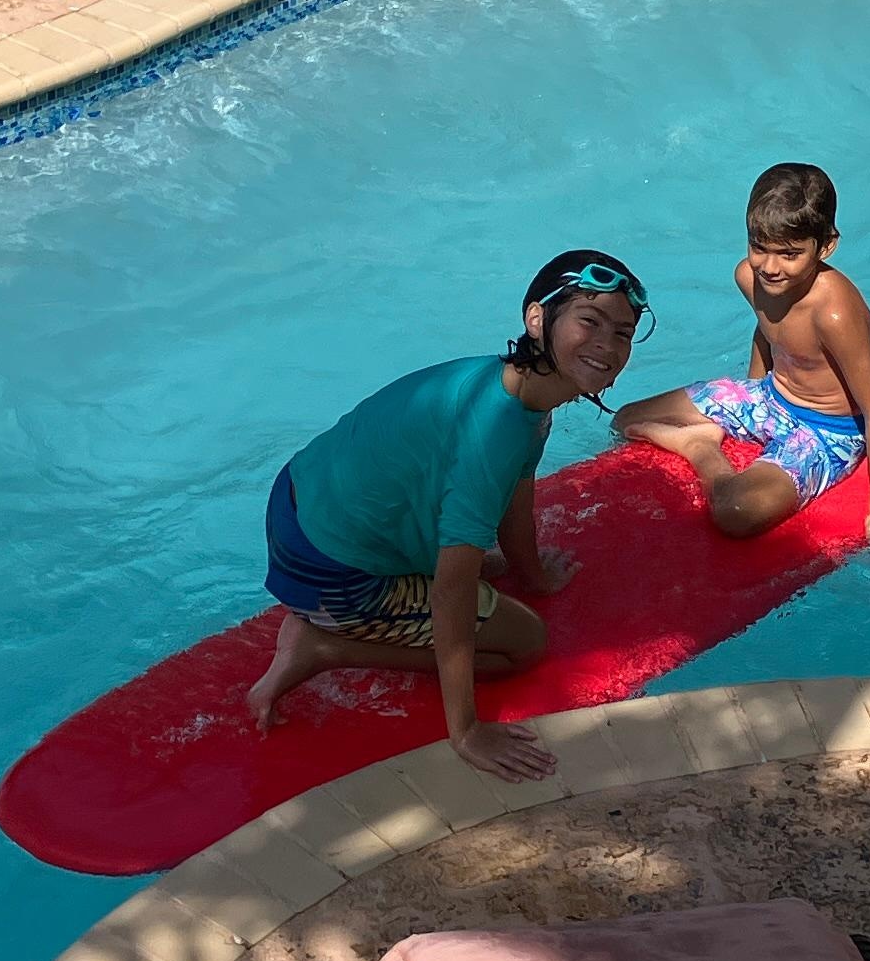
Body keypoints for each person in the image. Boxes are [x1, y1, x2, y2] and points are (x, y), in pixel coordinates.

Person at [243, 249, 647, 782]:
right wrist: (466, 729)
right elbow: (451, 592)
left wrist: (534, 574)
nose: (607, 345)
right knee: (525, 644)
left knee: (485, 560)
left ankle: (341, 620)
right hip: (330, 572)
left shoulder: (513, 388)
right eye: (590, 321)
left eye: (622, 333)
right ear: (536, 318)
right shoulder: (496, 429)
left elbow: (517, 495)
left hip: (303, 502)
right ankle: (321, 645)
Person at [615, 162, 870, 543]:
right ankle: (717, 430)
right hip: (769, 399)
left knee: (735, 513)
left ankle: (700, 448)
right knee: (625, 419)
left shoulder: (834, 314)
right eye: (759, 248)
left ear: (826, 245)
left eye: (789, 254)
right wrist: (751, 402)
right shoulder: (749, 277)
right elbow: (768, 329)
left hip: (824, 433)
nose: (770, 267)